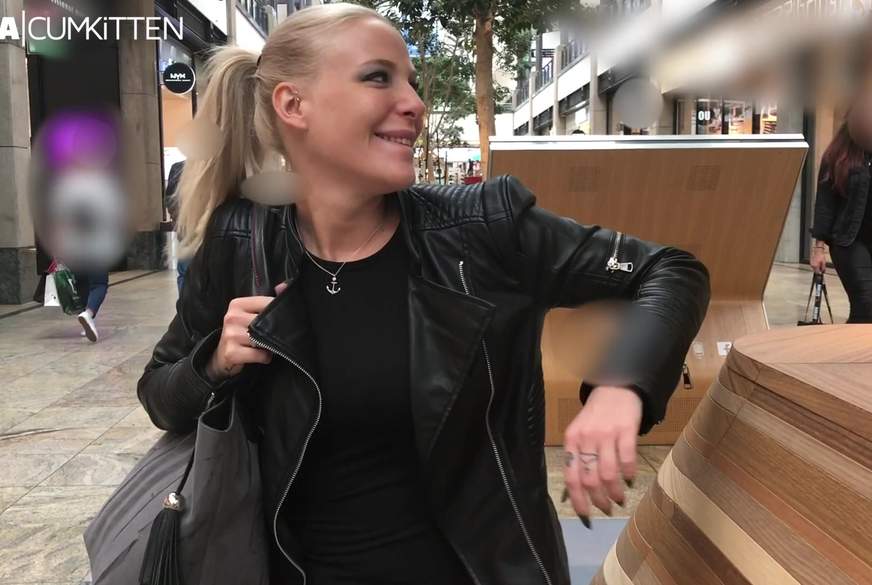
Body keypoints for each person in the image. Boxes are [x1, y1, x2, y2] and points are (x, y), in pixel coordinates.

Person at [136, 5, 709, 585]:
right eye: (378, 77)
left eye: (411, 82)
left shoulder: (481, 228)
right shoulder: (241, 244)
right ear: (293, 105)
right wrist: (214, 360)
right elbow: (161, 394)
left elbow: (669, 270)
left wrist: (620, 387)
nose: (414, 103)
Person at [811, 113, 872, 323]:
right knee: (866, 303)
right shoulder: (838, 155)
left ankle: (853, 343)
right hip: (849, 241)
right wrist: (818, 249)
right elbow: (825, 203)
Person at [165, 159, 189, 293]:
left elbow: (170, 200)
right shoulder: (179, 168)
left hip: (186, 228)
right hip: (189, 228)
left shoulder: (178, 167)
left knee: (186, 272)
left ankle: (185, 303)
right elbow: (170, 200)